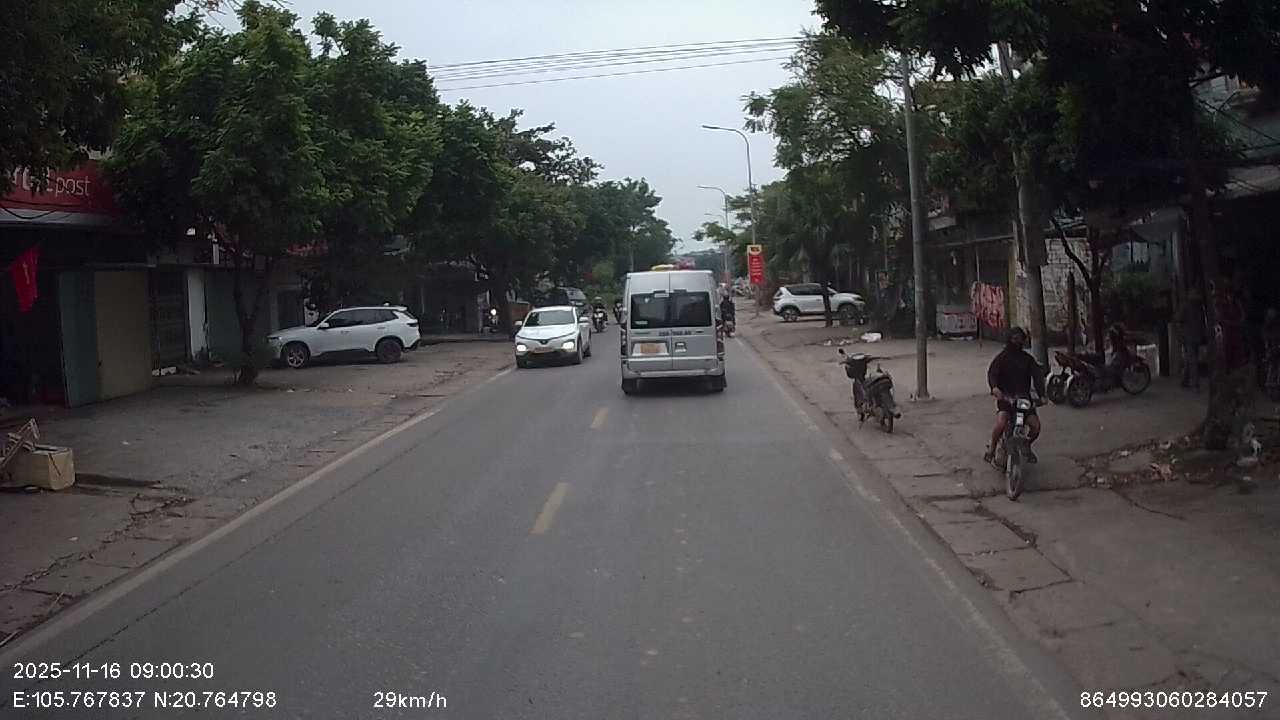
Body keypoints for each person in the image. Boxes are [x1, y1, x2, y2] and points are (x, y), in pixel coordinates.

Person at [984, 327, 1045, 464]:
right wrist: (995, 388)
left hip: (1023, 400)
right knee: (1001, 423)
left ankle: (1026, 445)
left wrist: (1042, 395)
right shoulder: (1001, 358)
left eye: (1020, 339)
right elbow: (992, 373)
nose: (1017, 341)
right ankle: (992, 448)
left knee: (1036, 427)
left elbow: (1037, 377)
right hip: (1006, 399)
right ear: (1009, 340)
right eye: (1014, 338)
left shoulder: (1028, 359)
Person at [1180, 288, 1206, 390]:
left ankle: (1188, 381)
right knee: (1192, 359)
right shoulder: (1197, 307)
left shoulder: (1190, 307)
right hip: (1193, 336)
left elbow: (1179, 319)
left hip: (1191, 336)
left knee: (1191, 360)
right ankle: (1193, 382)